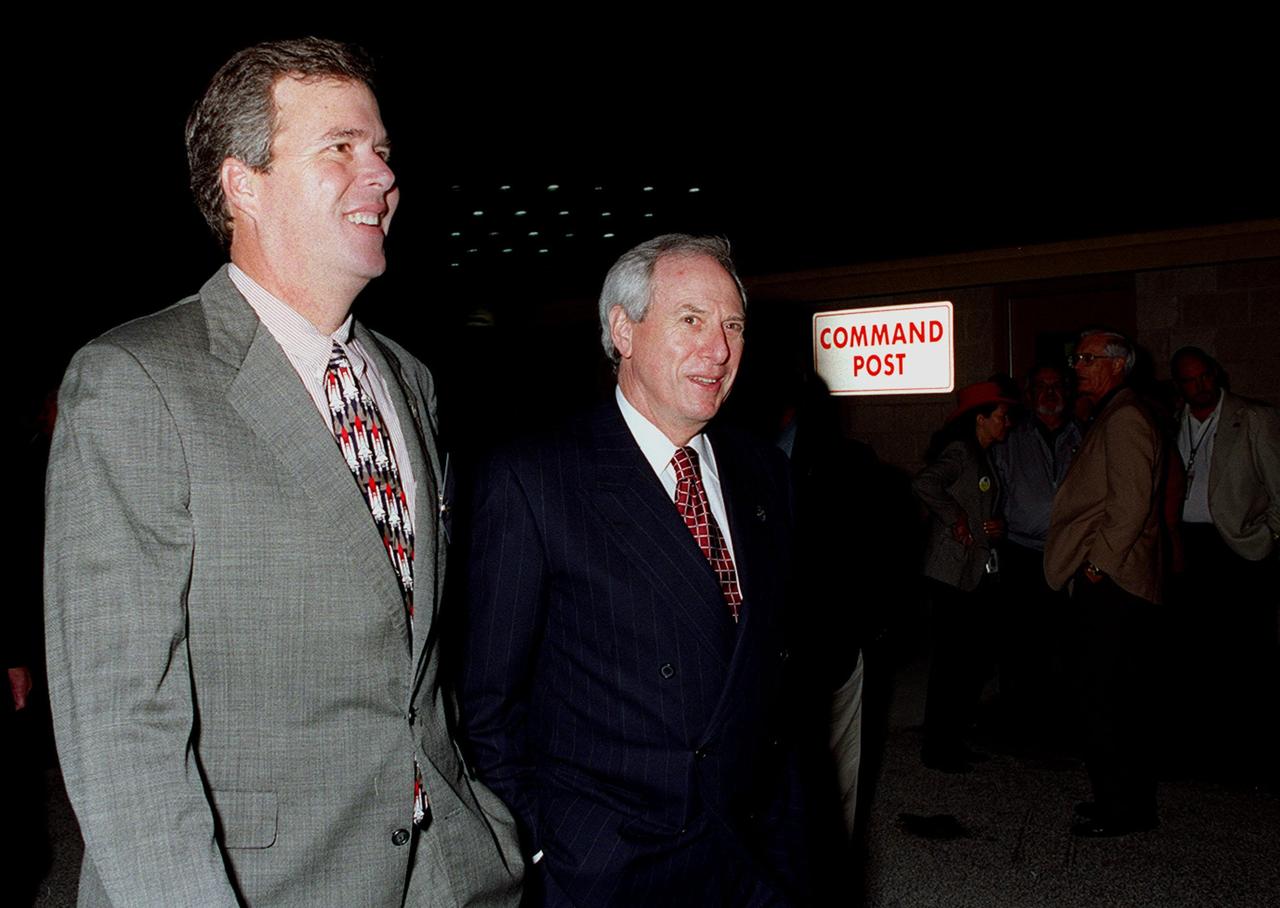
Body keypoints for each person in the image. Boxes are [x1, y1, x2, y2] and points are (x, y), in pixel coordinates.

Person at [44, 38, 521, 907]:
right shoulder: (137, 382)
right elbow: (121, 731)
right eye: (339, 148)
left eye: (381, 151)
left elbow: (415, 664)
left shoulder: (407, 380)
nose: (379, 175)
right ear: (243, 185)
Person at [460, 234, 812, 905]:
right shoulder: (535, 479)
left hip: (759, 854)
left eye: (733, 325)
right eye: (691, 321)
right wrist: (545, 846)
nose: (719, 350)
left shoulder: (762, 471)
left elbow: (768, 676)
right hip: (613, 868)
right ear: (624, 330)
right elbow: (487, 705)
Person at [1045, 329, 1164, 837]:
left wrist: (1098, 565)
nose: (1077, 366)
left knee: (1106, 699)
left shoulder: (1126, 417)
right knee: (1110, 697)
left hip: (1113, 582)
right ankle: (1119, 802)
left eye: (1087, 358)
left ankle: (1123, 810)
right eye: (1077, 358)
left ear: (1117, 364)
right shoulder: (1115, 414)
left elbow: (1131, 504)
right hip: (1112, 579)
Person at [1169, 346, 1279, 778]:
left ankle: (1252, 754)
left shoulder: (1253, 417)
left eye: (1205, 377)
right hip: (1188, 544)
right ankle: (1202, 750)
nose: (1201, 387)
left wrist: (1269, 535)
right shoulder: (1171, 421)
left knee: (1247, 652)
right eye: (1190, 380)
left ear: (1217, 374)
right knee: (1194, 650)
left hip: (1238, 546)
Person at [913, 381, 1015, 772]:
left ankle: (952, 740)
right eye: (1002, 417)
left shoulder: (983, 456)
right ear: (981, 418)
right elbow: (923, 482)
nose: (1007, 424)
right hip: (950, 573)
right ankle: (938, 748)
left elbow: (981, 505)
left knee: (968, 661)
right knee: (951, 664)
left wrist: (993, 526)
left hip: (973, 572)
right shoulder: (960, 452)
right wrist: (956, 517)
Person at [989, 364, 1082, 738]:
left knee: (1069, 640)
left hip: (1072, 556)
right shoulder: (1010, 436)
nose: (1049, 393)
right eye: (1041, 386)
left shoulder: (1084, 434)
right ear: (1029, 395)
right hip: (1022, 553)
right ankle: (1019, 722)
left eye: (1056, 385)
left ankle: (1062, 722)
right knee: (1021, 642)